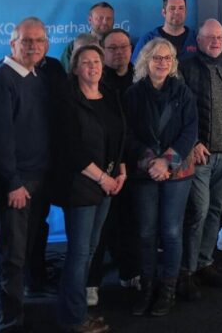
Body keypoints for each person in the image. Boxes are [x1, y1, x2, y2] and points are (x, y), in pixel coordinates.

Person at [0, 17, 62, 332]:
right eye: (26, 41)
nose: (33, 47)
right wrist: (12, 183)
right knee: (11, 260)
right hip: (15, 184)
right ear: (12, 43)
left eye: (39, 41)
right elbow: (1, 138)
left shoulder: (36, 76)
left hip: (36, 180)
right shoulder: (1, 79)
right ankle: (9, 325)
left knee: (16, 256)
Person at [177, 18, 222, 300]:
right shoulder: (185, 68)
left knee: (215, 210)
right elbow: (179, 111)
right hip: (199, 156)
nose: (216, 41)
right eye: (210, 37)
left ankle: (205, 262)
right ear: (198, 40)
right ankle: (186, 270)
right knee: (197, 211)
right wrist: (193, 143)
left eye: (219, 37)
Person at [53, 45, 126, 333]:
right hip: (81, 186)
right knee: (79, 253)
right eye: (86, 62)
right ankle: (73, 317)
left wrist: (121, 170)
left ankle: (72, 309)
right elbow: (72, 150)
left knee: (91, 249)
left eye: (96, 61)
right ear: (75, 68)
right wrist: (102, 178)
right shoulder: (67, 101)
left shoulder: (109, 96)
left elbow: (120, 135)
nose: (93, 66)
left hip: (108, 182)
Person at [125, 38, 198, 317]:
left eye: (168, 58)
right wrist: (150, 162)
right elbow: (127, 133)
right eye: (157, 57)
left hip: (177, 171)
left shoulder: (183, 91)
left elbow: (190, 130)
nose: (163, 63)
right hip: (144, 171)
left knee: (171, 232)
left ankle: (168, 289)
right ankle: (147, 288)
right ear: (146, 60)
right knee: (145, 232)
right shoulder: (133, 94)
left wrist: (166, 161)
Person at [86, 28, 140, 304]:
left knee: (131, 222)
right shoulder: (94, 80)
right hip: (102, 167)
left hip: (136, 163)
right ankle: (91, 282)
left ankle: (129, 273)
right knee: (99, 229)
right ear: (102, 51)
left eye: (124, 47)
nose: (119, 52)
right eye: (113, 48)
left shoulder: (141, 75)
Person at [133, 0, 199, 62]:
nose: (177, 12)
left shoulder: (196, 38)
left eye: (181, 8)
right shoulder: (148, 40)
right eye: (172, 8)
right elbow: (136, 66)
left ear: (185, 12)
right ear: (164, 12)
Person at [61, 2, 115, 72]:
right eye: (100, 18)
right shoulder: (75, 45)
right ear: (90, 20)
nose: (105, 22)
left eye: (109, 18)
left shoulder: (121, 45)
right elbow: (67, 74)